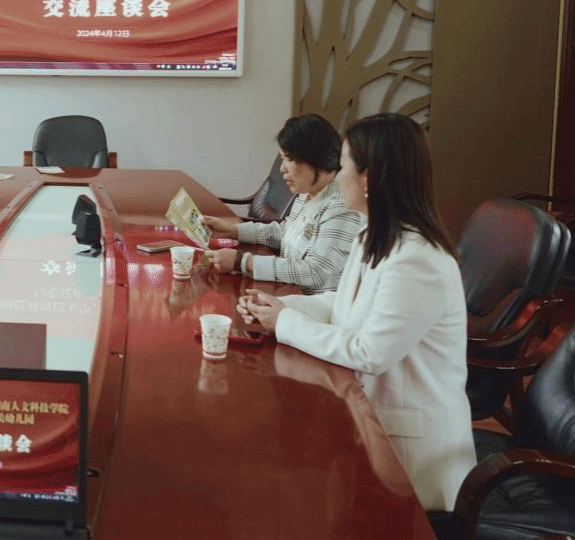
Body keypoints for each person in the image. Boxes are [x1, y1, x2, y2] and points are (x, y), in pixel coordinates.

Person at [237, 113, 475, 511]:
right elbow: (342, 302)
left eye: (345, 164)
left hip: (411, 453)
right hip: (369, 420)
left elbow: (370, 352)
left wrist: (286, 322)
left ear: (369, 178)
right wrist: (280, 307)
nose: (338, 173)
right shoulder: (373, 234)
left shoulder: (418, 259)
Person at [202, 114, 362, 293]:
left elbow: (316, 272)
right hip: (286, 291)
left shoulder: (342, 205)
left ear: (319, 158)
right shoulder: (308, 191)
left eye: (290, 159)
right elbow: (285, 232)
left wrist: (244, 262)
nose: (282, 168)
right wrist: (232, 230)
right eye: (282, 158)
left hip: (310, 303)